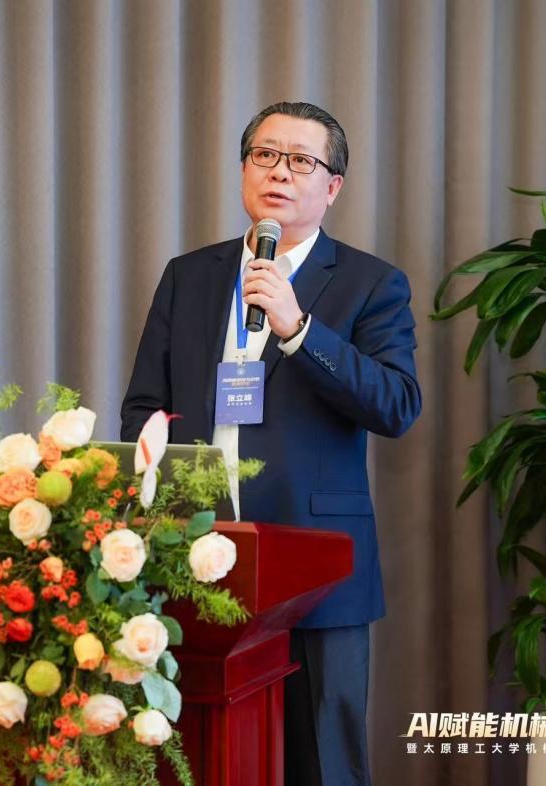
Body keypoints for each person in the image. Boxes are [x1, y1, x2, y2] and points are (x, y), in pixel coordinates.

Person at [120, 101, 420, 786]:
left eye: (301, 161)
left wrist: (299, 330)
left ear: (331, 187)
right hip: (196, 555)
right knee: (201, 754)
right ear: (243, 169)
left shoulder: (370, 283)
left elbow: (397, 404)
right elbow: (143, 407)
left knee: (322, 762)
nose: (279, 172)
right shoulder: (190, 275)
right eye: (265, 155)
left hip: (315, 566)